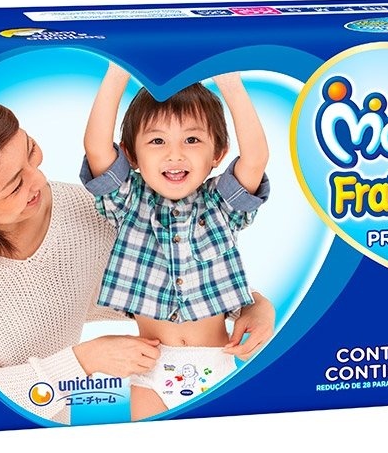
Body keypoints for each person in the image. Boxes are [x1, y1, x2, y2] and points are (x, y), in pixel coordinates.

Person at [0, 94, 275, 425]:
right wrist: (84, 361)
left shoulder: (91, 213)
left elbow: (175, 278)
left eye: (31, 151)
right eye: (15, 186)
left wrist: (250, 306)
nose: (39, 179)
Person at [81, 64, 270, 416]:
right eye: (157, 141)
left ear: (218, 153)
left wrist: (230, 81)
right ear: (131, 155)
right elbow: (96, 147)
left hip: (218, 364)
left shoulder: (222, 205)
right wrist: (117, 71)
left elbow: (256, 158)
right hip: (151, 367)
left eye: (192, 140)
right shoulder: (129, 202)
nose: (175, 154)